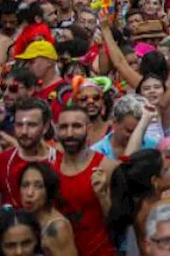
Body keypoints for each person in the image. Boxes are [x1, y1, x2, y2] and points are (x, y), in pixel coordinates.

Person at [0, 97, 57, 239]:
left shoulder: (59, 161)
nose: (24, 131)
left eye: (31, 125)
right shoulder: (2, 161)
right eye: (19, 125)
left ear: (46, 126)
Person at [51, 105, 116, 256]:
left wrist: (103, 196)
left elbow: (117, 223)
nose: (69, 133)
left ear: (89, 129)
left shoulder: (107, 167)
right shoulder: (49, 169)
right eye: (64, 127)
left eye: (77, 126)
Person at [17, 162, 75, 256]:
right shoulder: (21, 218)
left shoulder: (58, 228)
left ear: (48, 191)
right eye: (25, 185)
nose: (29, 193)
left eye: (38, 186)